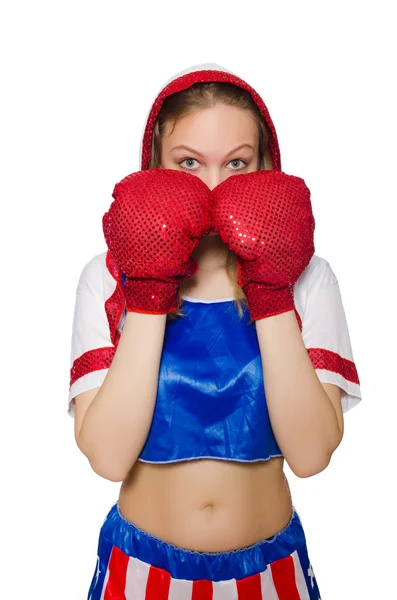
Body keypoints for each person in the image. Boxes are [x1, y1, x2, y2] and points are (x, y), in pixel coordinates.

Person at [68, 62, 362, 599]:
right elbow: (108, 458)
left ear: (265, 165)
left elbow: (312, 455)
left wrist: (270, 289)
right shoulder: (109, 277)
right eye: (188, 164)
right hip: (141, 569)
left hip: (269, 571)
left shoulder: (307, 277)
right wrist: (151, 284)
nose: (213, 186)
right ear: (154, 165)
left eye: (236, 164)